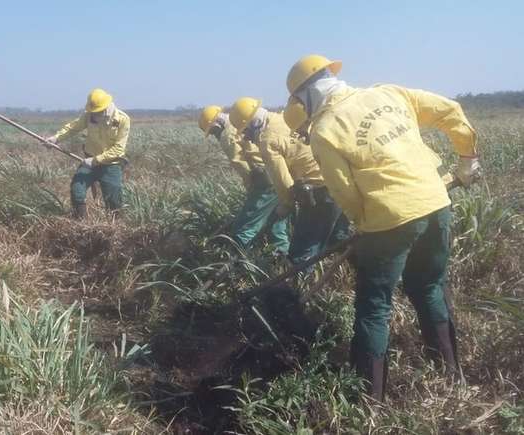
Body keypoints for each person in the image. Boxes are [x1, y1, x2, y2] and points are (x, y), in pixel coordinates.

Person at [285, 54, 481, 400]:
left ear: (306, 95)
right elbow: (450, 111)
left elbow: (345, 192)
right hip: (436, 203)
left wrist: (363, 226)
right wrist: (467, 159)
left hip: (389, 220)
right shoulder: (388, 93)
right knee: (430, 287)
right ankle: (451, 374)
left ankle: (369, 402)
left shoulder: (326, 130)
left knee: (374, 305)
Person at [228, 97, 350, 267]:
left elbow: (282, 181)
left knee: (301, 253)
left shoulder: (267, 140)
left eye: (246, 131)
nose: (247, 137)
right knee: (338, 238)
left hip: (319, 191)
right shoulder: (283, 119)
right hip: (340, 179)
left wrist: (285, 205)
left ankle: (301, 289)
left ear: (254, 123)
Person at [198, 106, 290, 253]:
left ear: (216, 125)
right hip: (278, 175)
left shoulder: (227, 135)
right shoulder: (240, 124)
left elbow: (240, 164)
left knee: (244, 228)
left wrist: (252, 190)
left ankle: (240, 264)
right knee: (276, 224)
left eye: (213, 131)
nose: (215, 135)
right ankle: (283, 259)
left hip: (264, 181)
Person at [46, 88, 130, 219]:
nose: (94, 115)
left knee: (113, 200)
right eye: (93, 112)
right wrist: (56, 138)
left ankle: (116, 227)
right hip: (89, 162)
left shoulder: (122, 120)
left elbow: (118, 149)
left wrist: (95, 160)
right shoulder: (89, 115)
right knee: (77, 190)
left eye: (97, 112)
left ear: (106, 108)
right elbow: (73, 127)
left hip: (111, 165)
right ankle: (81, 224)